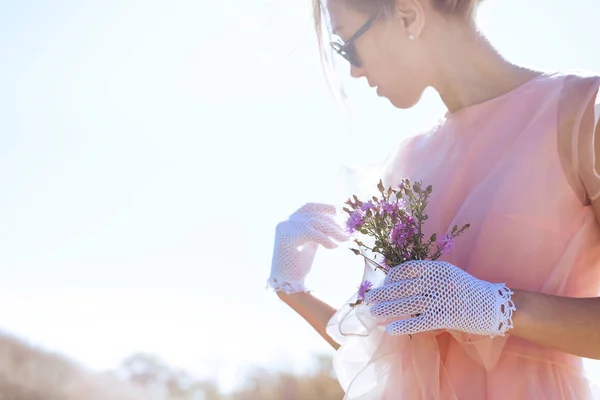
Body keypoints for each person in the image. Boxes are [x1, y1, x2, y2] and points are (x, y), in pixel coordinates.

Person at [267, 0, 600, 398]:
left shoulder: (580, 114)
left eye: (347, 45)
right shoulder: (408, 162)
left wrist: (500, 308)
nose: (353, 69)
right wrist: (292, 288)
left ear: (408, 15)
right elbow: (388, 355)